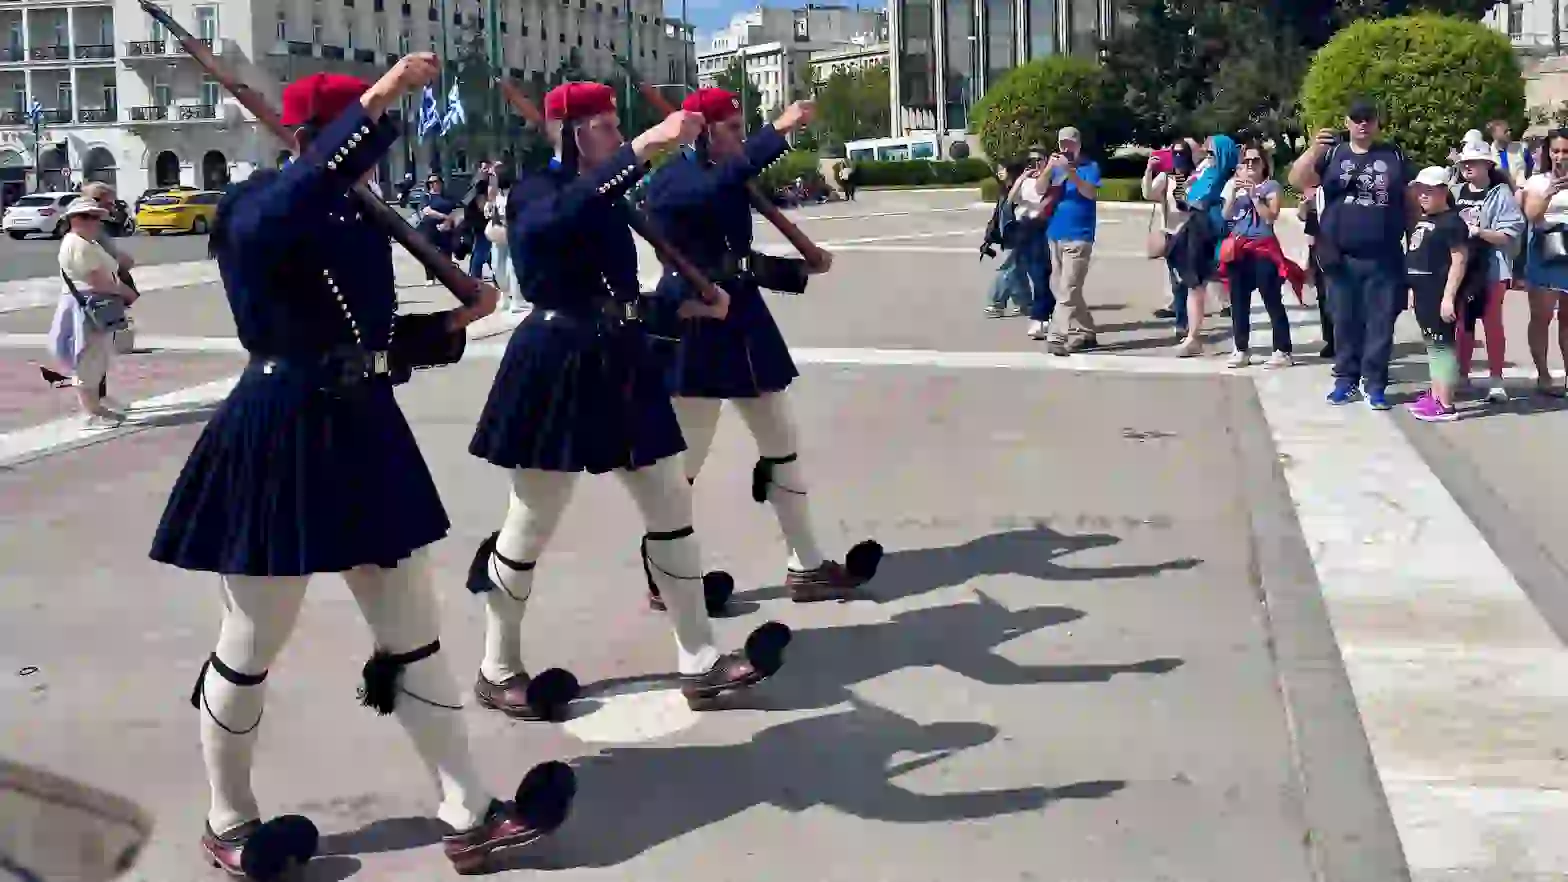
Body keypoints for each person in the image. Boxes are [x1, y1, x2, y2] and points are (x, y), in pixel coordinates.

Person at [146, 61, 575, 877]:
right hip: (278, 437)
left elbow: (367, 344)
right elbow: (276, 227)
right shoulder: (256, 207)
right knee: (251, 642)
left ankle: (469, 812)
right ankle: (228, 820)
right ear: (318, 138)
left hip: (360, 432)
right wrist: (375, 100)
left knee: (413, 637)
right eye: (362, 136)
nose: (374, 154)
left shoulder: (352, 210)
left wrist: (453, 320)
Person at [466, 81, 794, 720]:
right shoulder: (539, 190)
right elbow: (552, 230)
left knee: (670, 502)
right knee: (531, 522)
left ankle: (699, 657)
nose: (618, 135)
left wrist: (682, 303)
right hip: (554, 364)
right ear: (574, 131)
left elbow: (614, 293)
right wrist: (641, 150)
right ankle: (497, 665)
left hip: (619, 359)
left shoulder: (608, 193)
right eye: (608, 127)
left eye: (620, 126)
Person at [643, 87, 881, 611]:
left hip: (744, 322)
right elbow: (707, 202)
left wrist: (798, 268)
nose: (740, 137)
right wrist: (780, 130)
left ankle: (808, 564)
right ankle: (667, 577)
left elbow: (738, 260)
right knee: (684, 463)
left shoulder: (725, 177)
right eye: (730, 128)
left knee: (783, 444)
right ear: (702, 132)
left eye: (743, 128)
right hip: (696, 323)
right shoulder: (670, 182)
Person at [1289, 97, 1415, 409]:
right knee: (1344, 321)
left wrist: (1414, 243)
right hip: (1339, 255)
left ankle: (1375, 384)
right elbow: (1296, 180)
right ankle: (1346, 380)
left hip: (1384, 254)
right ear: (1346, 122)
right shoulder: (1332, 153)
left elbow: (1409, 202)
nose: (1362, 124)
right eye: (1356, 118)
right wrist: (1314, 149)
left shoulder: (1393, 154)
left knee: (1380, 323)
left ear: (1376, 122)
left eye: (1368, 118)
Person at [46, 197, 137, 429]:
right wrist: (126, 292)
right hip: (90, 305)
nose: (94, 221)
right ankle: (91, 412)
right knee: (88, 359)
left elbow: (110, 271)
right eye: (86, 216)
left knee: (96, 358)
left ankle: (97, 406)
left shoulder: (87, 242)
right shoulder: (78, 244)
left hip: (96, 304)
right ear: (73, 220)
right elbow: (98, 281)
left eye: (96, 216)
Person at [1451, 141, 1525, 403]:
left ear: (1488, 165)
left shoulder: (1501, 193)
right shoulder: (1454, 191)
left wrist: (1479, 232)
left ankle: (1496, 380)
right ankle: (1461, 375)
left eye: (1474, 162)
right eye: (1464, 163)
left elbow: (1510, 233)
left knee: (1492, 322)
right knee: (1462, 322)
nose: (1468, 166)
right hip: (1460, 268)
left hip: (1492, 268)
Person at [1218, 142, 1302, 369]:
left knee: (1272, 299)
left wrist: (1254, 195)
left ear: (1264, 164)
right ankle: (1241, 348)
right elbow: (1226, 215)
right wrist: (1235, 192)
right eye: (1246, 161)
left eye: (1255, 160)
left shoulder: (1271, 187)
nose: (1250, 165)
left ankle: (1283, 350)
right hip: (1238, 248)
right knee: (1238, 300)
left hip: (1263, 247)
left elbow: (1270, 217)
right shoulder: (1235, 186)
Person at [1404, 167, 1471, 422]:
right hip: (1423, 292)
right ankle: (1436, 394)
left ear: (1443, 192)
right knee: (1432, 345)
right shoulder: (1425, 219)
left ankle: (1446, 403)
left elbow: (1459, 260)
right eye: (1419, 190)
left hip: (1438, 293)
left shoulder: (1451, 222)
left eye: (1428, 191)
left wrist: (1448, 297)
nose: (1422, 195)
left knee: (1442, 346)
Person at [1042, 126, 1101, 355]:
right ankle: (1086, 331)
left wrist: (1072, 173)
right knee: (1062, 288)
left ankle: (1057, 336)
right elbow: (1039, 190)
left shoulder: (1090, 167)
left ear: (1078, 144)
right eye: (1063, 143)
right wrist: (1048, 169)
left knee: (1068, 288)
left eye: (1071, 143)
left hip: (1079, 236)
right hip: (1055, 234)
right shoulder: (1055, 168)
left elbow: (1090, 193)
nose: (1067, 147)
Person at [1521, 128, 1568, 397]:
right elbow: (1531, 215)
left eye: (1566, 151)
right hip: (1546, 248)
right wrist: (1550, 191)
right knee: (1541, 316)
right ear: (1548, 153)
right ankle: (1543, 375)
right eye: (1556, 151)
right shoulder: (1537, 181)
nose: (1561, 156)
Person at [416, 172, 457, 284]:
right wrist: (443, 216)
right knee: (429, 252)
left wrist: (448, 222)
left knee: (446, 252)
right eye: (431, 182)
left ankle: (447, 276)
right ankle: (430, 277)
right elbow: (427, 211)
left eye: (436, 182)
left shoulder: (447, 196)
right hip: (430, 228)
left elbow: (454, 210)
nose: (434, 184)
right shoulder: (427, 197)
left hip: (446, 227)